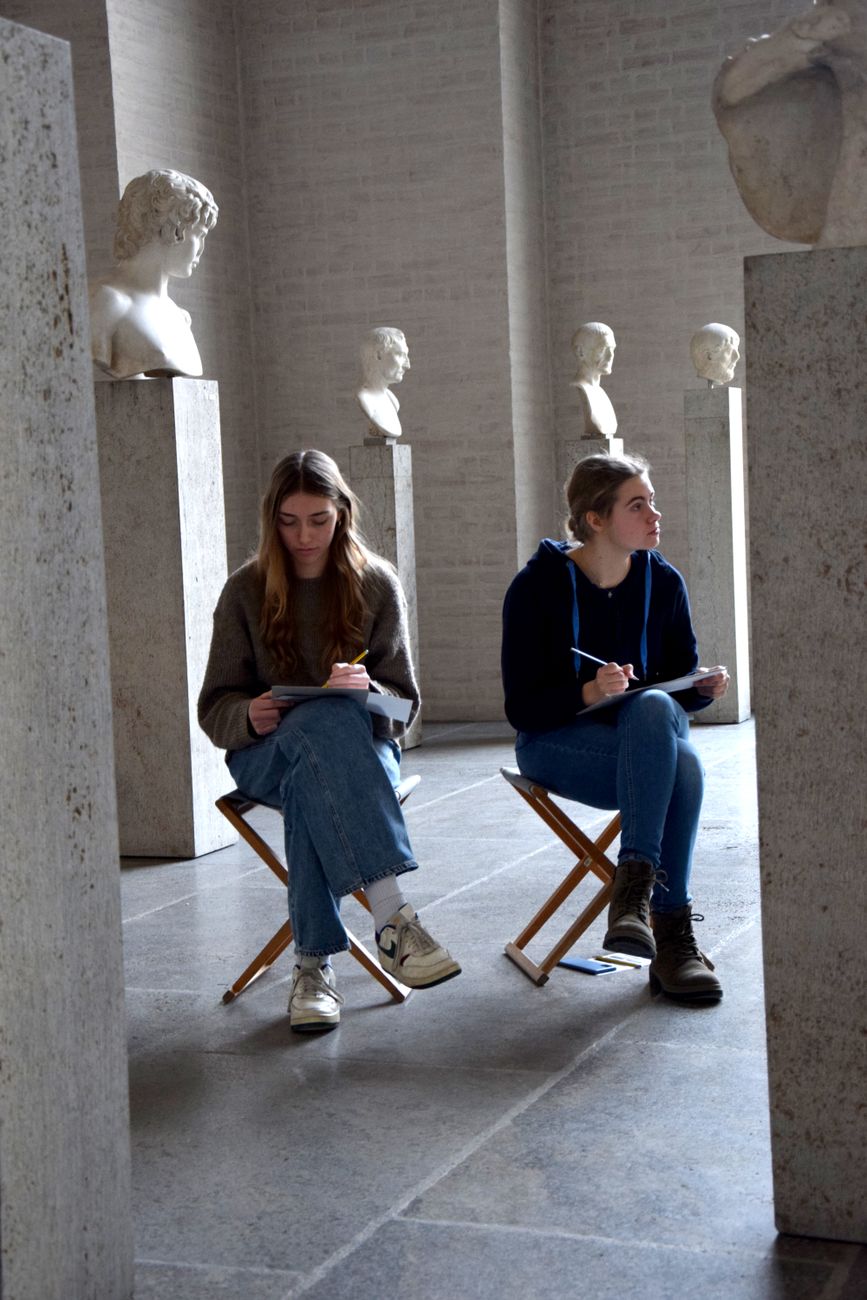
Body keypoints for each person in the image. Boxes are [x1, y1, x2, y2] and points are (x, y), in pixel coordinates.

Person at [199, 449, 460, 1032]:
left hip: (362, 754)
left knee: (314, 771)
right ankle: (393, 917)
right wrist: (249, 714)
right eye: (289, 522)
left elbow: (404, 708)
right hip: (266, 753)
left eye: (318, 520)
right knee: (316, 731)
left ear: (342, 512)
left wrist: (367, 691)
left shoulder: (376, 583)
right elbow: (214, 707)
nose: (304, 536)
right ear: (272, 519)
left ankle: (313, 968)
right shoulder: (244, 591)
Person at [501, 453, 730, 1002]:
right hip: (555, 745)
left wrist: (699, 690)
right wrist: (587, 692)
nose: (655, 514)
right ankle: (669, 931)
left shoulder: (664, 582)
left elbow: (674, 694)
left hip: (645, 753)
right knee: (680, 761)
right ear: (595, 519)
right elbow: (522, 709)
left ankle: (635, 899)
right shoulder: (535, 588)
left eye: (652, 501)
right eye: (638, 505)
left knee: (662, 726)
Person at [90, 169, 218, 380]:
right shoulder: (105, 302)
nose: (201, 249)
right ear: (175, 230)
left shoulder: (180, 317)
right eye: (200, 235)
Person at [356, 327, 411, 438]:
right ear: (378, 355)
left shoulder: (393, 400)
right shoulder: (365, 399)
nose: (407, 365)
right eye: (400, 355)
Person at [570, 323, 618, 439]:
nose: (610, 356)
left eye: (612, 349)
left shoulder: (601, 393)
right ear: (580, 352)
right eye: (603, 349)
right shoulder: (583, 389)